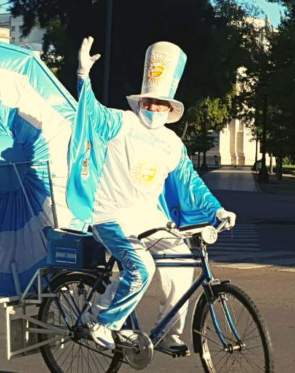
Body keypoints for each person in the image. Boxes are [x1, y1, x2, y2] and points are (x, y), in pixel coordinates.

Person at [66, 36, 237, 354]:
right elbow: (90, 114)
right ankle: (102, 322)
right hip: (110, 214)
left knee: (183, 262)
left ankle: (167, 333)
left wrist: (217, 210)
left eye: (161, 104)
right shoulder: (120, 122)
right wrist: (82, 77)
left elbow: (190, 183)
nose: (154, 108)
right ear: (139, 102)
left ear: (170, 108)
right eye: (149, 101)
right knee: (141, 267)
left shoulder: (172, 142)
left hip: (150, 218)